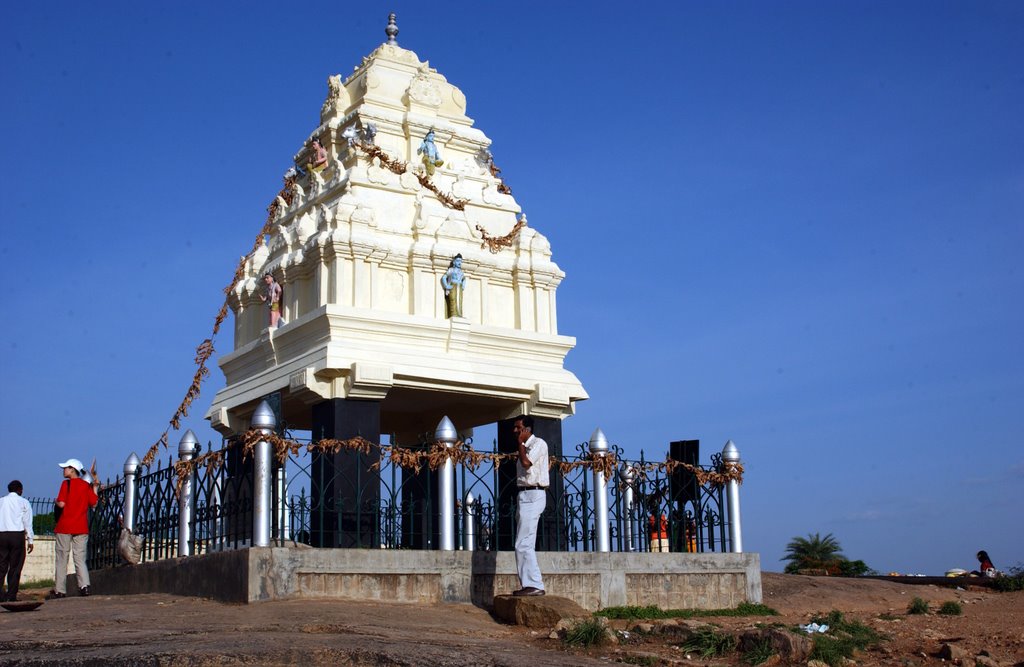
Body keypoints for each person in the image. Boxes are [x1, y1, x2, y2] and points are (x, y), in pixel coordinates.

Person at [48, 458, 99, 599]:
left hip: (65, 526)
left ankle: (60, 590)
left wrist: (56, 501)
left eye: (66, 468)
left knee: (62, 558)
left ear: (72, 469)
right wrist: (95, 487)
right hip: (81, 527)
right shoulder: (85, 485)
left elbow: (62, 504)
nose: (63, 470)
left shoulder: (66, 484)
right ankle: (84, 586)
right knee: (80, 559)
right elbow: (94, 503)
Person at [511, 414, 548, 597]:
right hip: (525, 494)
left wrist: (521, 444)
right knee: (523, 541)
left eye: (518, 428)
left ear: (527, 430)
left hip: (534, 493)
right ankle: (529, 584)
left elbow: (526, 463)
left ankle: (534, 584)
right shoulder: (525, 447)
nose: (515, 431)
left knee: (523, 543)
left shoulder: (538, 444)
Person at [0, 480, 34, 602]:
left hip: (1, 535)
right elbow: (27, 523)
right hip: (17, 535)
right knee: (15, 566)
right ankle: (11, 595)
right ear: (20, 490)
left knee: (1, 565)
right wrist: (30, 540)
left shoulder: (1, 501)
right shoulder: (24, 502)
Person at [440, 254, 467, 318]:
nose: (459, 263)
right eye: (458, 261)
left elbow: (464, 278)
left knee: (459, 300)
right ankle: (453, 314)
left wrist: (463, 284)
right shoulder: (451, 270)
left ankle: (459, 314)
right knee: (453, 300)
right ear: (454, 262)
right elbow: (444, 277)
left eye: (460, 261)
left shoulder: (461, 272)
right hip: (453, 286)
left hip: (459, 286)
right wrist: (446, 286)